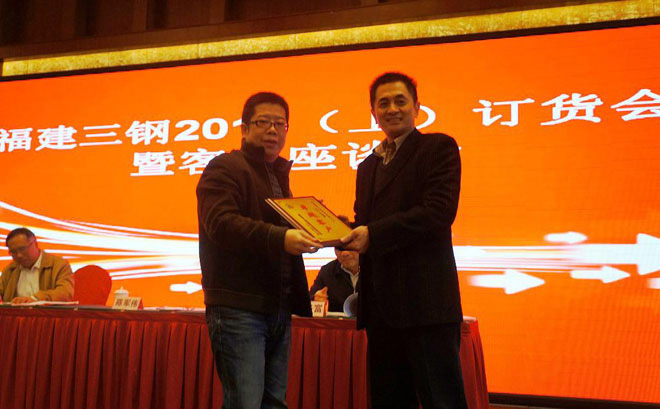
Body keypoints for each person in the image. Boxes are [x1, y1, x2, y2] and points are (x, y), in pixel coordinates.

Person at [341, 72, 468, 409]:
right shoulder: (367, 166)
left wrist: (372, 234)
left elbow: (438, 212)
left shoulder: (437, 148)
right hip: (381, 309)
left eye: (400, 101)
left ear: (417, 107)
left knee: (442, 401)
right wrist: (335, 230)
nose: (392, 109)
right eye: (383, 103)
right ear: (373, 113)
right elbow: (364, 224)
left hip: (426, 306)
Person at [197, 91, 321, 409]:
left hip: (277, 307)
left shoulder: (276, 175)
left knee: (274, 403)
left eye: (280, 124)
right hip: (239, 308)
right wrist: (282, 238)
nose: (272, 130)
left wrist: (324, 227)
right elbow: (221, 224)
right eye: (263, 122)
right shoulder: (225, 167)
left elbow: (279, 230)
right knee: (245, 403)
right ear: (244, 128)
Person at [0, 227, 74, 304]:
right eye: (13, 252)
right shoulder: (10, 270)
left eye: (22, 249)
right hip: (15, 311)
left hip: (46, 311)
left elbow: (65, 293)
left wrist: (35, 299)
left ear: (35, 244)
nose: (19, 255)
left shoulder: (58, 265)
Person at [309, 248, 359, 312]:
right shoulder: (328, 271)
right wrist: (316, 298)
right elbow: (311, 299)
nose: (344, 253)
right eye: (339, 248)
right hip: (339, 317)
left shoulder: (372, 267)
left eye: (349, 247)